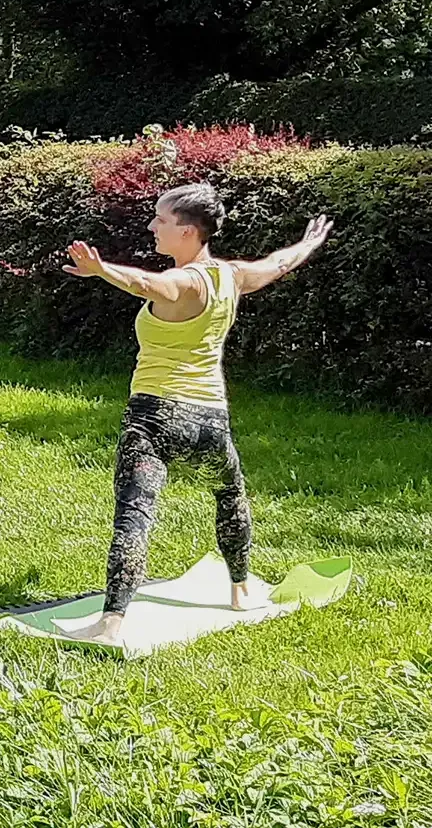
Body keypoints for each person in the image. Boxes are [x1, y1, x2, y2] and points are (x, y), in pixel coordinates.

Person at [60, 184, 331, 646]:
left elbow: (150, 284)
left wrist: (103, 270)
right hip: (209, 421)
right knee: (230, 494)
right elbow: (277, 264)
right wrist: (307, 244)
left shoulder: (185, 282)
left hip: (155, 418)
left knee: (135, 513)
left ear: (186, 231)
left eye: (160, 220)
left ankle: (111, 623)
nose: (151, 226)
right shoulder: (232, 275)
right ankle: (241, 589)